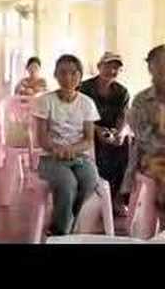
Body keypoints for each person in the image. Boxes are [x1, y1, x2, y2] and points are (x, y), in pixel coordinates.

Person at [32, 55, 100, 235]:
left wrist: (72, 150)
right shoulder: (44, 101)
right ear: (55, 74)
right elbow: (41, 137)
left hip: (79, 156)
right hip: (50, 157)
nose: (68, 77)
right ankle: (59, 232)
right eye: (62, 72)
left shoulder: (87, 103)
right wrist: (57, 149)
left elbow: (88, 139)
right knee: (67, 183)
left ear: (80, 76)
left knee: (89, 180)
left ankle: (67, 222)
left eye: (73, 73)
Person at [80, 52, 130, 216]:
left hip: (110, 131)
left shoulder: (121, 92)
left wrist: (120, 133)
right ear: (99, 67)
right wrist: (96, 129)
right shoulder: (85, 88)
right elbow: (78, 115)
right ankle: (95, 193)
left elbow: (123, 116)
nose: (112, 70)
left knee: (126, 144)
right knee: (96, 144)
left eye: (116, 68)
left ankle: (116, 197)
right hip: (88, 128)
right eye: (108, 66)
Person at [122, 45, 165, 220]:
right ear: (150, 68)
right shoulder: (141, 101)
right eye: (159, 64)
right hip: (150, 158)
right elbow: (144, 139)